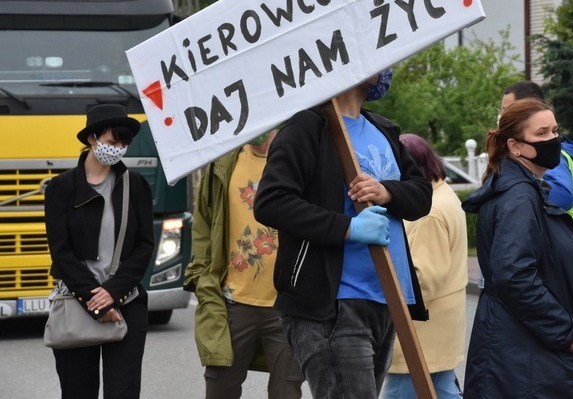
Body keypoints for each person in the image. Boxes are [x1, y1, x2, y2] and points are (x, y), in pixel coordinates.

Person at [253, 70, 432, 399]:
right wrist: (348, 228)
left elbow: (421, 195)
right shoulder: (306, 127)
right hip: (333, 305)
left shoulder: (383, 128)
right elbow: (271, 202)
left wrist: (386, 192)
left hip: (386, 300)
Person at [462, 98, 573, 398]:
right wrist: (565, 330)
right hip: (524, 357)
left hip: (521, 351)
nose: (553, 140)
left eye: (555, 131)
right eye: (541, 134)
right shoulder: (520, 197)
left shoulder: (521, 189)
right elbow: (513, 275)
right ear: (515, 147)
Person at [44, 103, 155, 398]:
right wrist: (97, 300)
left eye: (123, 143)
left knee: (124, 391)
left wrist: (114, 293)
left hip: (127, 305)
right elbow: (61, 251)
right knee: (77, 391)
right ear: (92, 138)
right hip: (77, 303)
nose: (118, 148)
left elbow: (144, 246)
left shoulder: (136, 185)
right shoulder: (60, 188)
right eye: (111, 141)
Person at [184, 129, 304, 398]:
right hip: (231, 303)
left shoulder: (296, 161)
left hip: (286, 306)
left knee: (286, 390)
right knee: (220, 388)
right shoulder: (224, 163)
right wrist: (202, 277)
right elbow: (203, 224)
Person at [383, 134, 468, 399]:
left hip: (421, 332)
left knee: (400, 394)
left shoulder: (427, 213)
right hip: (438, 330)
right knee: (442, 390)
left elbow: (422, 280)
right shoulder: (442, 193)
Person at [501, 81, 573, 254]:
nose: (502, 115)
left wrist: (519, 195)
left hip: (561, 260)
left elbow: (562, 197)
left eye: (506, 109)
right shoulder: (521, 153)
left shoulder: (549, 155)